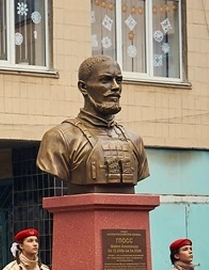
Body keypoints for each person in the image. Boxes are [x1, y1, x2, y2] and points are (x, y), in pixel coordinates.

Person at [36, 56, 149, 190]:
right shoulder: (60, 138)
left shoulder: (134, 140)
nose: (115, 87)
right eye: (105, 80)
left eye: (118, 80)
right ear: (83, 87)